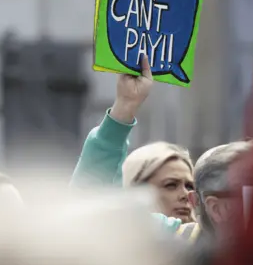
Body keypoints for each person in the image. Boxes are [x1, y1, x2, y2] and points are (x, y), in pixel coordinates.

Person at [70, 56, 195, 224]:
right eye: (170, 185)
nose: (186, 195)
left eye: (190, 186)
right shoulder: (121, 233)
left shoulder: (207, 240)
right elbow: (88, 202)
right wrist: (125, 105)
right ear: (134, 191)